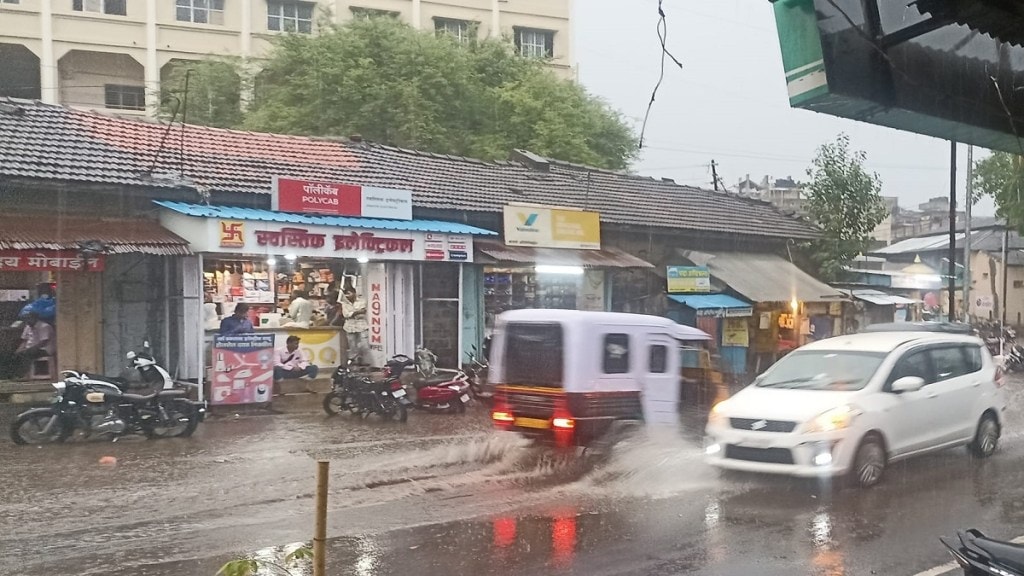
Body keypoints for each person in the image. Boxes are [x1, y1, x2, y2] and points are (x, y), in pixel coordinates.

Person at [15, 311, 54, 376]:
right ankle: (18, 375)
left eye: (29, 319)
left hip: (45, 349)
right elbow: (24, 341)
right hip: (31, 348)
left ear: (35, 318)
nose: (27, 321)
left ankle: (27, 374)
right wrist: (18, 350)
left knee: (26, 354)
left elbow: (43, 342)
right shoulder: (28, 327)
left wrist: (29, 350)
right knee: (17, 355)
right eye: (26, 319)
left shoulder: (44, 326)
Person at [341, 287, 371, 364]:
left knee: (364, 345)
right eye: (345, 294)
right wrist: (357, 312)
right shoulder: (344, 303)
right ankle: (355, 362)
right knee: (352, 346)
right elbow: (346, 314)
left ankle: (365, 361)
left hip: (361, 325)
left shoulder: (362, 301)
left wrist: (354, 313)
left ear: (354, 293)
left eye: (348, 293)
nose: (347, 296)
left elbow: (363, 311)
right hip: (349, 326)